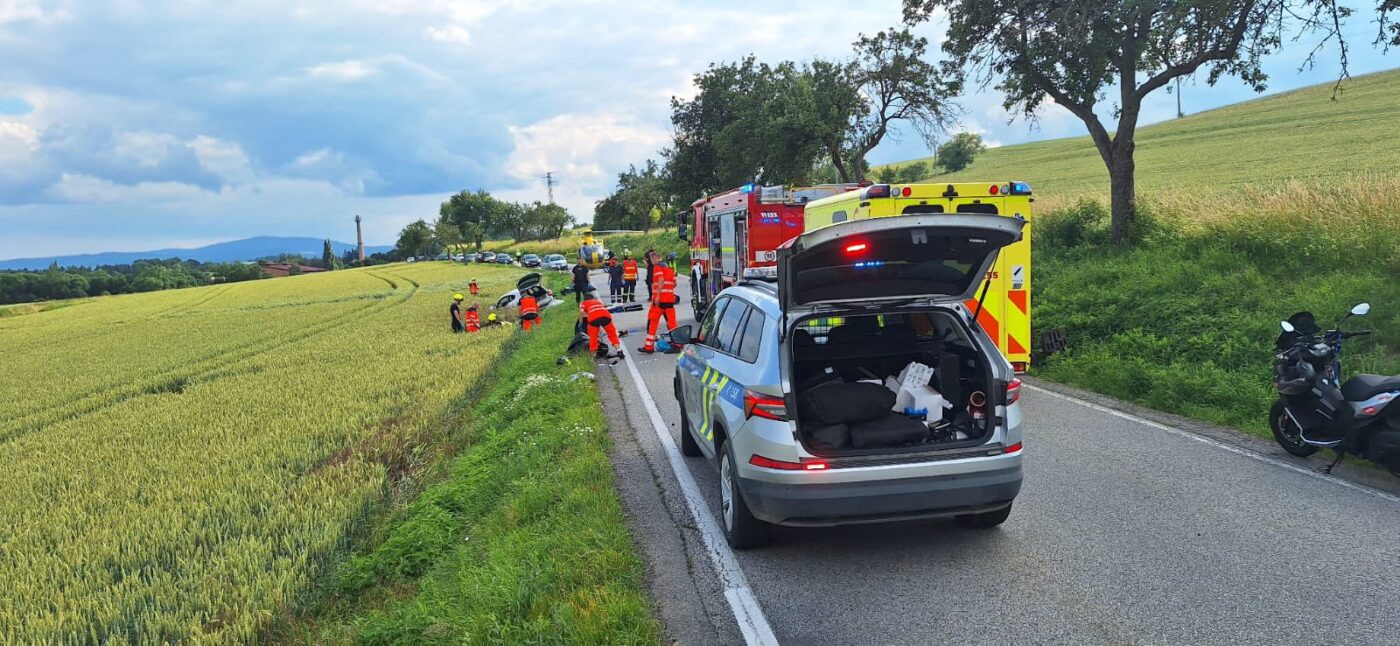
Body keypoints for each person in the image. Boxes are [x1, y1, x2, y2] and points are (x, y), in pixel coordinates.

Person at [640, 257, 679, 353]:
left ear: (656, 260)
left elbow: (661, 280)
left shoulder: (657, 267)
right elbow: (674, 283)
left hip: (659, 301)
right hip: (669, 301)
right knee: (672, 323)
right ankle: (677, 344)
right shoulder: (670, 269)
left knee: (652, 322)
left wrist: (657, 296)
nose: (652, 263)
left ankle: (648, 347)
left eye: (652, 261)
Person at [579, 285, 622, 358]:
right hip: (606, 316)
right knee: (612, 334)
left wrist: (581, 322)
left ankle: (594, 355)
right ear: (593, 298)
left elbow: (581, 312)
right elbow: (599, 311)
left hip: (594, 319)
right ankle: (619, 350)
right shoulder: (597, 302)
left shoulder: (583, 303)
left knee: (593, 336)